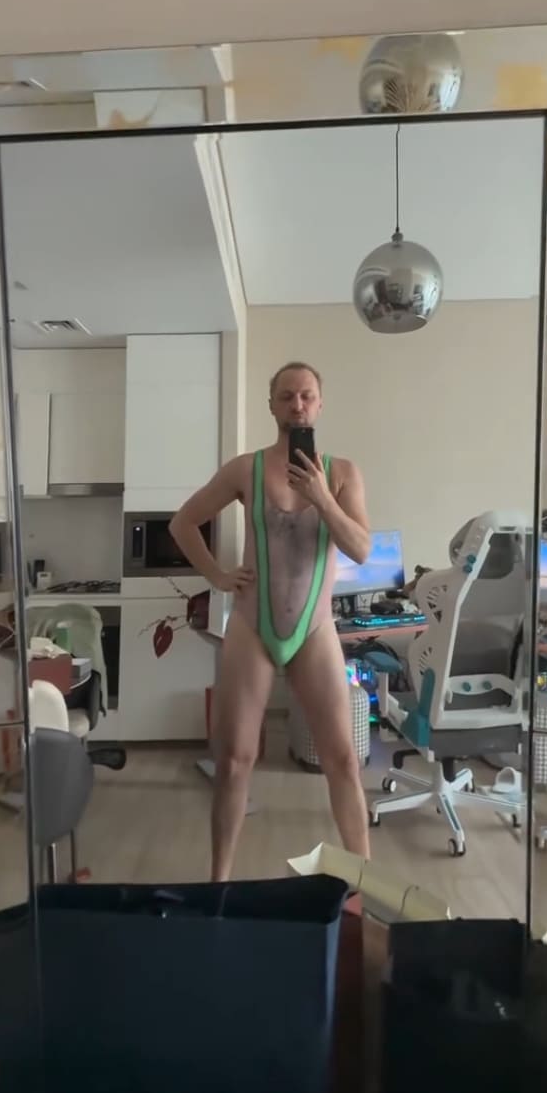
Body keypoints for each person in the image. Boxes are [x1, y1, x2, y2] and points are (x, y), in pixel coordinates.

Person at [171, 361, 372, 880]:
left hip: (315, 629)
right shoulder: (246, 469)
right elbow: (183, 522)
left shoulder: (343, 473)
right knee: (234, 761)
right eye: (286, 396)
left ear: (320, 404)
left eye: (305, 396)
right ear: (271, 405)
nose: (296, 405)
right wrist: (218, 575)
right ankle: (218, 883)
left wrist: (322, 496)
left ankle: (365, 885)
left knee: (343, 761)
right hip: (252, 625)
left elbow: (361, 548)